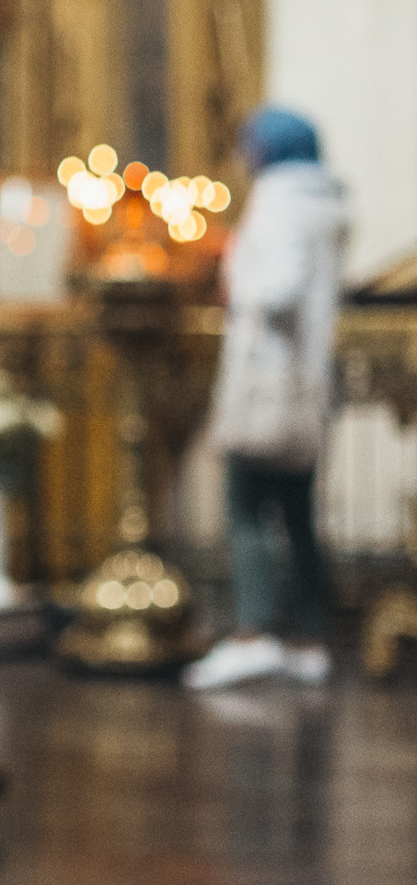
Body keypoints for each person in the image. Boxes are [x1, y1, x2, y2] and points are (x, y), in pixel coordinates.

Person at [184, 105, 350, 691]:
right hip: (306, 382)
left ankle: (254, 634)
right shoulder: (324, 200)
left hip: (267, 383)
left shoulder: (279, 200)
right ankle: (309, 636)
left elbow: (275, 291)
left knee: (246, 507)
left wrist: (233, 271)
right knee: (300, 515)